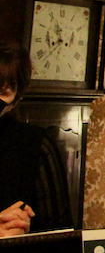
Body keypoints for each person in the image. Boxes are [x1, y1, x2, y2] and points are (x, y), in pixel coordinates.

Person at [0, 42, 73, 237]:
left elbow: (60, 238)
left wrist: (22, 235)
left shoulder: (37, 146)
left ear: (16, 100)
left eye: (3, 91)